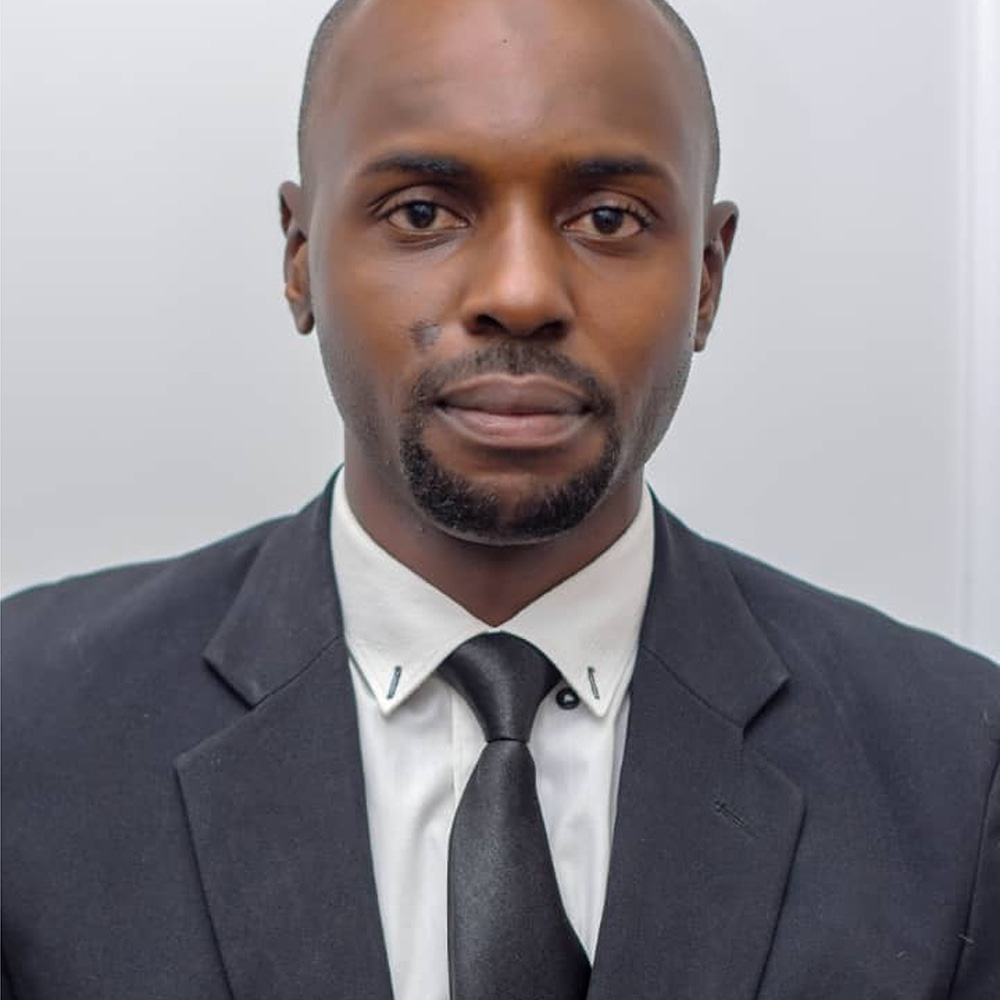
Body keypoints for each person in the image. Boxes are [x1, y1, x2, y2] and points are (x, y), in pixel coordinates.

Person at [2, 0, 998, 996]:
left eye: (607, 218)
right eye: (421, 212)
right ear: (299, 259)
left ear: (707, 278)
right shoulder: (26, 724)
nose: (520, 294)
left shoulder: (958, 767)